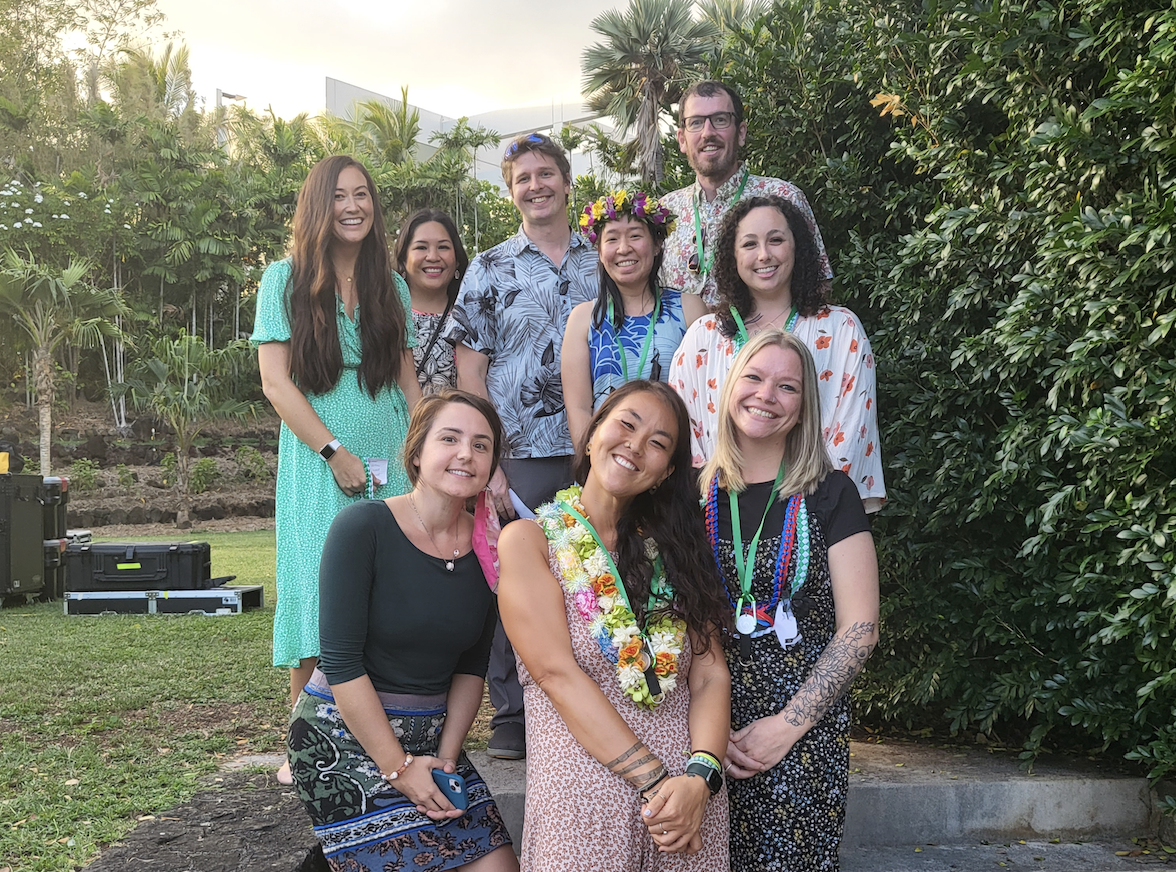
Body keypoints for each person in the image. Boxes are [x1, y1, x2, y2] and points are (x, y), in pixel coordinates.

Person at [498, 380, 732, 872]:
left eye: (658, 442)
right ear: (592, 432)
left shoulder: (680, 553)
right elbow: (555, 674)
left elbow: (709, 673)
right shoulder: (529, 540)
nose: (635, 445)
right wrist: (656, 783)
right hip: (585, 804)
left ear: (666, 472)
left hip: (688, 810)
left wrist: (699, 777)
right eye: (626, 424)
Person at [288, 389, 517, 872]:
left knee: (496, 866)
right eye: (450, 439)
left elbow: (471, 667)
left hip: (433, 739)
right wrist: (399, 769)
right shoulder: (362, 527)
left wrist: (446, 763)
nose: (465, 454)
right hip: (343, 734)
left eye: (481, 445)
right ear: (416, 452)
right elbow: (342, 662)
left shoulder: (491, 549)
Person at [253, 155, 422, 784]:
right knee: (319, 584)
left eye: (363, 196)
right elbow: (276, 382)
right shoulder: (283, 280)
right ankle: (303, 747)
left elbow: (406, 376)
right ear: (318, 207)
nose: (353, 207)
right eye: (340, 197)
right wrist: (333, 451)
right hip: (320, 455)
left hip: (389, 452)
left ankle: (382, 737)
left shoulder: (392, 285)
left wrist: (421, 444)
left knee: (386, 586)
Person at [442, 132, 598, 759]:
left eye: (545, 174)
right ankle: (515, 714)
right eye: (521, 179)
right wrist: (490, 461)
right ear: (510, 193)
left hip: (599, 450)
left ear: (566, 180)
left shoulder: (604, 256)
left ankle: (598, 702)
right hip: (521, 454)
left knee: (596, 573)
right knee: (515, 578)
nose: (535, 186)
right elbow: (469, 368)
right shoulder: (489, 267)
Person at [700, 329, 879, 871]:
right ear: (730, 387)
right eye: (753, 377)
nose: (765, 395)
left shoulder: (831, 492)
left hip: (798, 734)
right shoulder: (691, 492)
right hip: (700, 725)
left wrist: (787, 726)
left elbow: (860, 628)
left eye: (786, 387)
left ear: (804, 407)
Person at [669, 194, 886, 511]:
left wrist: (808, 509)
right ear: (732, 255)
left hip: (816, 515)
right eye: (749, 244)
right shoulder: (704, 337)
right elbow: (689, 436)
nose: (764, 255)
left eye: (776, 240)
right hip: (719, 517)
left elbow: (851, 436)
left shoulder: (841, 331)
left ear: (797, 247)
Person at [658, 79, 833, 308]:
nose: (707, 133)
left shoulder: (783, 197)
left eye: (720, 120)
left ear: (741, 132)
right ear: (682, 139)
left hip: (764, 341)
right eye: (696, 123)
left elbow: (819, 286)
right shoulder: (665, 211)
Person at [561, 190, 707, 448]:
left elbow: (707, 397)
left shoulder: (689, 309)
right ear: (599, 250)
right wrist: (597, 467)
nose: (623, 248)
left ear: (657, 244)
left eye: (635, 236)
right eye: (612, 239)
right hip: (608, 459)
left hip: (675, 458)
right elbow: (580, 409)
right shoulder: (584, 319)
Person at [395, 209, 470, 395]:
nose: (433, 257)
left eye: (443, 247)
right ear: (404, 259)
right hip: (395, 423)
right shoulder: (384, 314)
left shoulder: (471, 319)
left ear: (457, 260)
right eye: (421, 247)